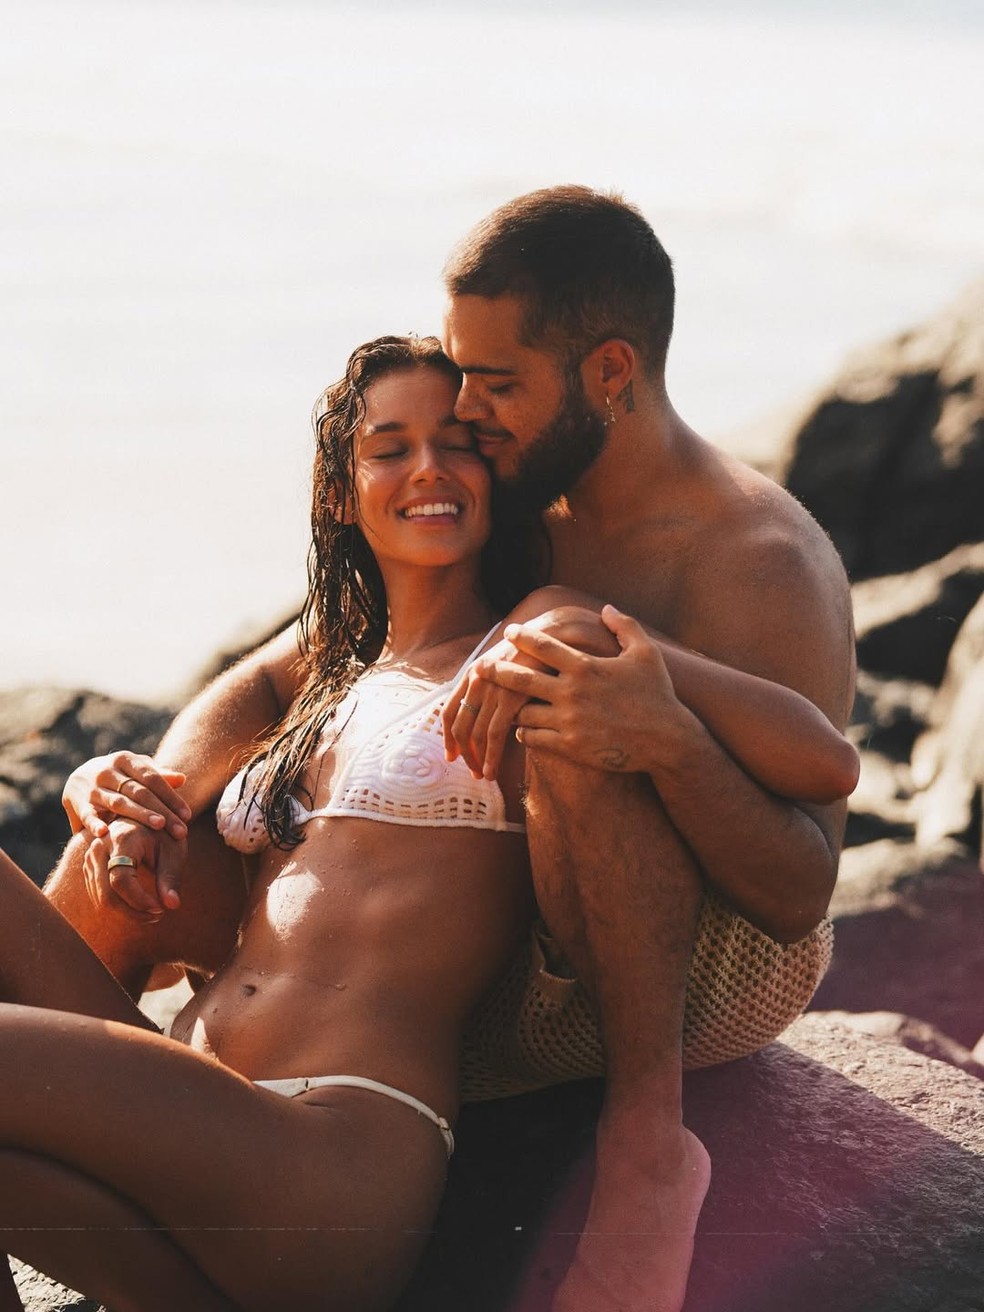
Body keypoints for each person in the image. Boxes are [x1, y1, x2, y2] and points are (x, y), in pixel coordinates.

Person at [48, 188, 859, 1312]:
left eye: (496, 386)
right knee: (144, 842)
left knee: (567, 695)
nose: (469, 418)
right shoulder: (512, 494)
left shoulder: (752, 558)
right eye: (459, 384)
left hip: (698, 946)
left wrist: (665, 732)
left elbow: (803, 876)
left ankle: (640, 1149)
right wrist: (151, 784)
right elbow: (294, 665)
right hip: (432, 956)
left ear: (609, 374)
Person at [1, 336, 546, 1311]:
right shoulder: (332, 664)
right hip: (197, 1111)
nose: (428, 466)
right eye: (389, 446)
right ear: (340, 490)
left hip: (325, 1157)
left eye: (458, 441)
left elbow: (602, 649)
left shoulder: (528, 632)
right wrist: (121, 790)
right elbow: (211, 723)